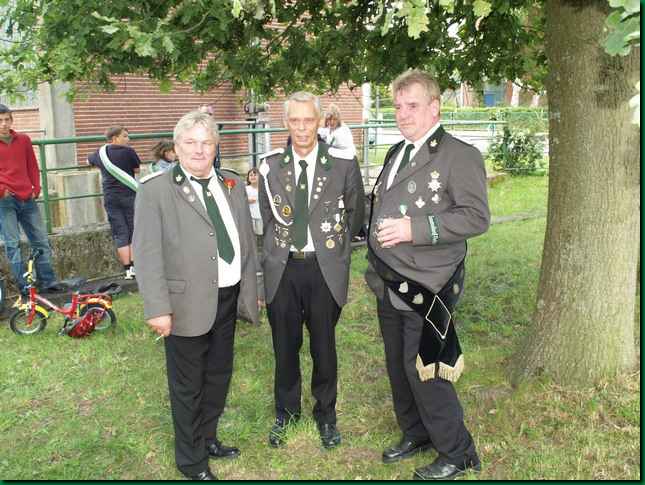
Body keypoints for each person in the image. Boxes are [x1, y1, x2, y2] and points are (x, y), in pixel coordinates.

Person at [365, 69, 490, 480]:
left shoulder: (459, 155)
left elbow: (476, 217)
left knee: (426, 370)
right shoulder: (396, 151)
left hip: (427, 285)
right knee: (397, 366)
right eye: (398, 106)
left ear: (435, 107)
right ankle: (416, 432)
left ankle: (458, 452)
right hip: (388, 280)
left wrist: (414, 230)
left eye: (412, 105)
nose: (403, 114)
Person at [133, 110, 258, 481]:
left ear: (216, 146)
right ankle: (191, 461)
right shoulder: (155, 191)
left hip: (227, 296)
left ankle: (208, 438)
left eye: (206, 142)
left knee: (218, 374)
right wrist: (157, 308)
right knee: (187, 385)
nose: (199, 150)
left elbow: (246, 242)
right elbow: (147, 254)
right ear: (176, 148)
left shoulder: (231, 184)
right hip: (184, 303)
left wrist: (254, 290)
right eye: (190, 142)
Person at [258, 91, 365, 449]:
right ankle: (286, 413)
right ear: (285, 123)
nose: (302, 128)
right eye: (295, 120)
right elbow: (268, 219)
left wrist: (334, 252)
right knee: (285, 347)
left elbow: (355, 215)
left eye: (308, 120)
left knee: (324, 346)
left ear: (319, 121)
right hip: (283, 269)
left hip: (323, 269)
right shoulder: (270, 166)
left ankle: (326, 415)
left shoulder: (342, 164)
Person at [0, 104, 64, 296]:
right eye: (0, 121)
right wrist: (2, 190)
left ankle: (48, 281)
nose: (4, 124)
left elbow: (32, 165)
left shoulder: (24, 140)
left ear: (12, 120)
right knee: (13, 245)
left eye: (7, 119)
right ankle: (25, 288)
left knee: (41, 240)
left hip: (27, 197)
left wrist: (36, 187)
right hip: (5, 200)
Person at [88, 126, 140, 279]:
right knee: (133, 230)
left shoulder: (100, 153)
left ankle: (127, 269)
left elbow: (89, 160)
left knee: (120, 232)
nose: (128, 139)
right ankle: (134, 266)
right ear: (115, 138)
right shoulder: (129, 152)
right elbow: (137, 170)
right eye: (125, 136)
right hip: (129, 195)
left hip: (110, 197)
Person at [245, 168, 262, 238]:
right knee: (251, 235)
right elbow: (241, 200)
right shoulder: (246, 189)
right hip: (250, 217)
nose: (253, 177)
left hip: (260, 216)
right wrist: (247, 200)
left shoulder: (263, 189)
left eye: (255, 175)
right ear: (248, 178)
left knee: (261, 234)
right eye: (251, 175)